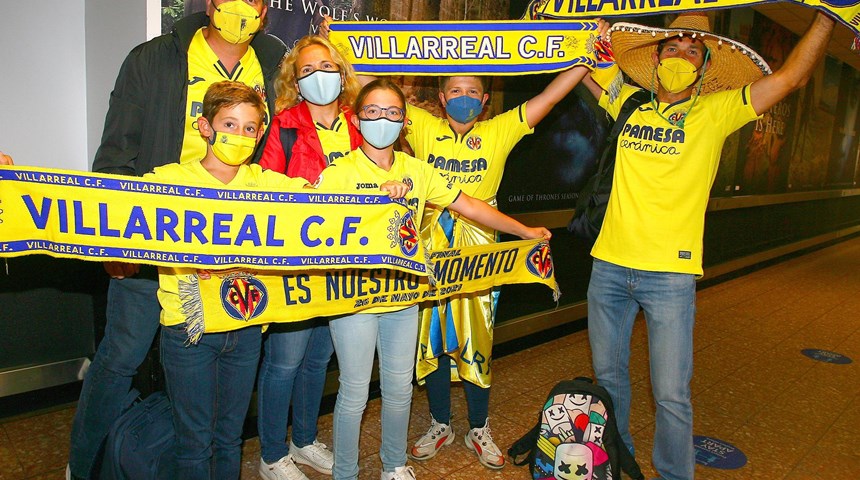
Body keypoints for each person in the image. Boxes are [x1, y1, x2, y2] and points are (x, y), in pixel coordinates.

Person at [579, 12, 835, 480]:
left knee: (671, 392)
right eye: (672, 48)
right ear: (655, 59)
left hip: (670, 276)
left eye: (692, 51)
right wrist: (588, 22)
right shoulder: (630, 104)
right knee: (609, 380)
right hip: (609, 266)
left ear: (703, 66)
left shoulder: (717, 111)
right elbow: (577, 59)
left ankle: (675, 474)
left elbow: (793, 79)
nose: (680, 56)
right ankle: (619, 459)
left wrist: (829, 16)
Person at [67, 2, 285, 478]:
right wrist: (114, 239)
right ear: (211, 3)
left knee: (222, 407)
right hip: (156, 246)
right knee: (121, 358)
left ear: (265, 10)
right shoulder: (155, 58)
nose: (245, 7)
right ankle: (82, 465)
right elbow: (115, 155)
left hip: (237, 257)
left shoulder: (273, 61)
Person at [313, 78, 552, 480]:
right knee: (354, 394)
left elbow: (470, 205)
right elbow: (310, 225)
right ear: (357, 119)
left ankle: (394, 465)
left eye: (392, 113)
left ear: (405, 123)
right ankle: (346, 473)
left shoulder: (417, 171)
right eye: (372, 112)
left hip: (404, 301)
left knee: (400, 389)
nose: (382, 119)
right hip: (355, 301)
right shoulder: (338, 172)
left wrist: (523, 231)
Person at [405, 68, 590, 469]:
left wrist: (583, 62)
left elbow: (550, 99)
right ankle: (440, 423)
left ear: (485, 100)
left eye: (473, 91)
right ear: (440, 98)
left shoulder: (499, 131)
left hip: (481, 248)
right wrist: (345, 46)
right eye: (455, 90)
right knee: (432, 336)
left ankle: (478, 425)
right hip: (430, 247)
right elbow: (372, 94)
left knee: (477, 337)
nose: (464, 97)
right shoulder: (420, 126)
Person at [152, 80, 308, 479]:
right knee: (194, 442)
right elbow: (97, 205)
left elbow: (331, 195)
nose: (240, 135)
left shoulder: (266, 182)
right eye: (229, 124)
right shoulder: (167, 180)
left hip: (246, 328)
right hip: (190, 331)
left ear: (260, 133)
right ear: (205, 127)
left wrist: (384, 189)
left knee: (229, 437)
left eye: (250, 127)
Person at [254, 35, 362, 480]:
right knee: (285, 360)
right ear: (295, 81)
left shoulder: (361, 122)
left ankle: (302, 440)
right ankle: (271, 453)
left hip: (344, 263)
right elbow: (263, 185)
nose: (319, 76)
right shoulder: (283, 124)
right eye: (308, 70)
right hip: (296, 263)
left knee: (319, 360)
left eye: (326, 66)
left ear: (340, 71)